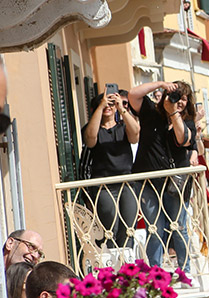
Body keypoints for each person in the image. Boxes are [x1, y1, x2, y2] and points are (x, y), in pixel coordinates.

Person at [127, 80, 198, 268]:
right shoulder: (151, 112)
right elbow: (133, 95)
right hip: (148, 181)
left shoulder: (188, 122)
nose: (180, 102)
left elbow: (183, 139)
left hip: (175, 183)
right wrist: (160, 84)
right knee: (154, 228)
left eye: (184, 99)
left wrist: (174, 112)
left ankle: (186, 270)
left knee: (178, 227)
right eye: (176, 97)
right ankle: (155, 272)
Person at [82, 91, 140, 248]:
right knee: (109, 229)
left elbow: (135, 134)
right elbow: (90, 140)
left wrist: (121, 108)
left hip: (126, 183)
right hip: (104, 186)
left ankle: (127, 268)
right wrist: (100, 107)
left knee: (128, 229)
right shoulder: (92, 128)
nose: (108, 106)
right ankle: (110, 268)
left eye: (110, 103)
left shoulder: (123, 126)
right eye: (104, 103)